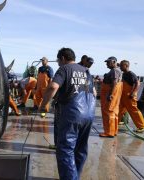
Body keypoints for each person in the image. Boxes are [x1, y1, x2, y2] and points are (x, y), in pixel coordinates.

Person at [39, 47, 95, 179]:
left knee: (65, 150)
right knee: (80, 149)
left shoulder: (64, 69)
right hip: (89, 113)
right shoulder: (86, 71)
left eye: (58, 60)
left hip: (72, 114)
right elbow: (94, 92)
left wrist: (43, 105)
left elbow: (53, 86)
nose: (58, 62)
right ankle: (75, 176)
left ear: (63, 58)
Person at [118, 60, 144, 132]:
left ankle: (142, 126)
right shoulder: (124, 74)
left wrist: (133, 93)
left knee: (134, 110)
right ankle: (117, 122)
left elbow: (137, 83)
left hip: (130, 96)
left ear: (126, 66)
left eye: (122, 65)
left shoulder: (131, 74)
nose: (120, 67)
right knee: (119, 110)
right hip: (124, 96)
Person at [99, 56, 123, 138]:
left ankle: (109, 132)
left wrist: (110, 94)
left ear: (114, 62)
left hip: (111, 93)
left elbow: (114, 83)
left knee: (108, 112)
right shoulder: (118, 70)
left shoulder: (114, 71)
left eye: (108, 62)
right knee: (114, 112)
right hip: (115, 94)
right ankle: (114, 131)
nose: (107, 64)